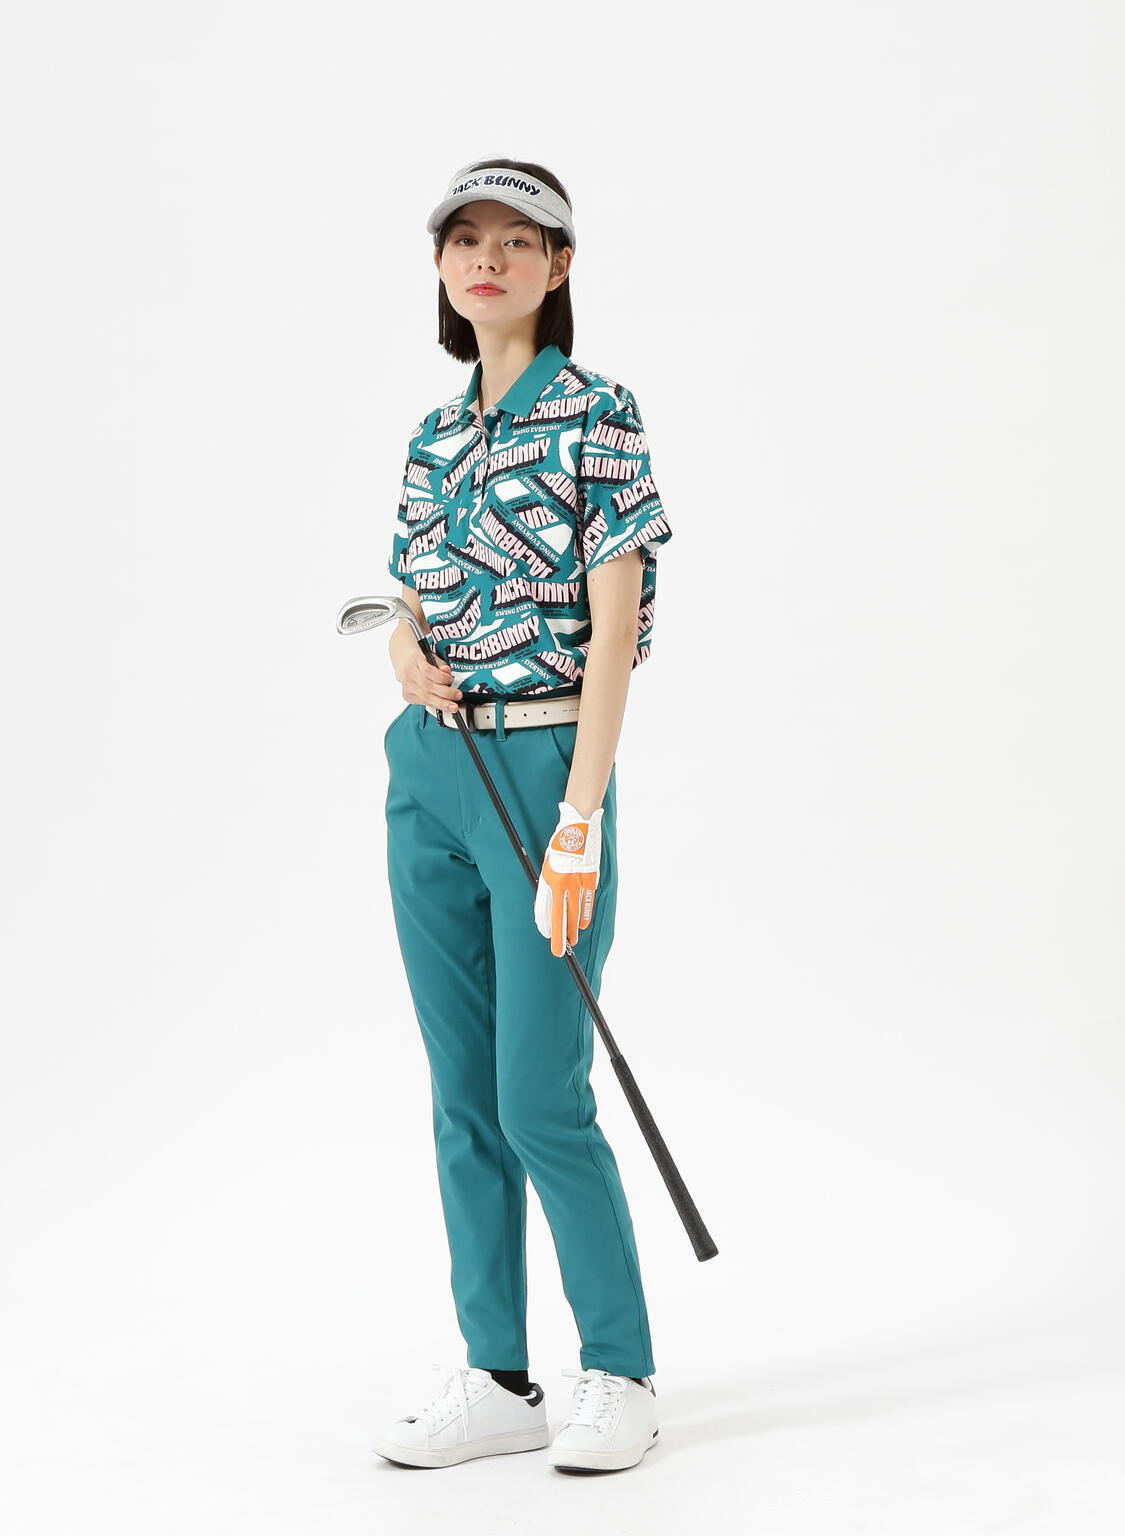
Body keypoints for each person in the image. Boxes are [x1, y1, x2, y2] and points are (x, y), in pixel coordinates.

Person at [371, 158, 673, 1476]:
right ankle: (498, 1372)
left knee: (539, 1093)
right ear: (442, 267)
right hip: (431, 772)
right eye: (466, 240)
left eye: (516, 240)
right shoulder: (433, 437)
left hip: (546, 767)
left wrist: (581, 817)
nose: (486, 260)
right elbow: (409, 595)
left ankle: (621, 1369)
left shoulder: (597, 413)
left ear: (559, 267)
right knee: (463, 1096)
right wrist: (404, 649)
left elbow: (616, 627)